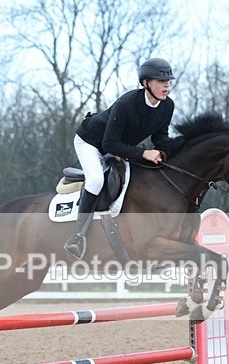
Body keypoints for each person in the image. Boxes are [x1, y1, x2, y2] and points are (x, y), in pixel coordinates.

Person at [63, 57, 176, 260]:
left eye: (168, 81)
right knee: (96, 179)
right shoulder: (126, 104)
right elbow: (109, 145)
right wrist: (143, 153)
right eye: (160, 81)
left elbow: (161, 138)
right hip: (91, 142)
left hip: (119, 145)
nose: (166, 85)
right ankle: (77, 237)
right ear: (145, 83)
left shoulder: (167, 106)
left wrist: (182, 148)